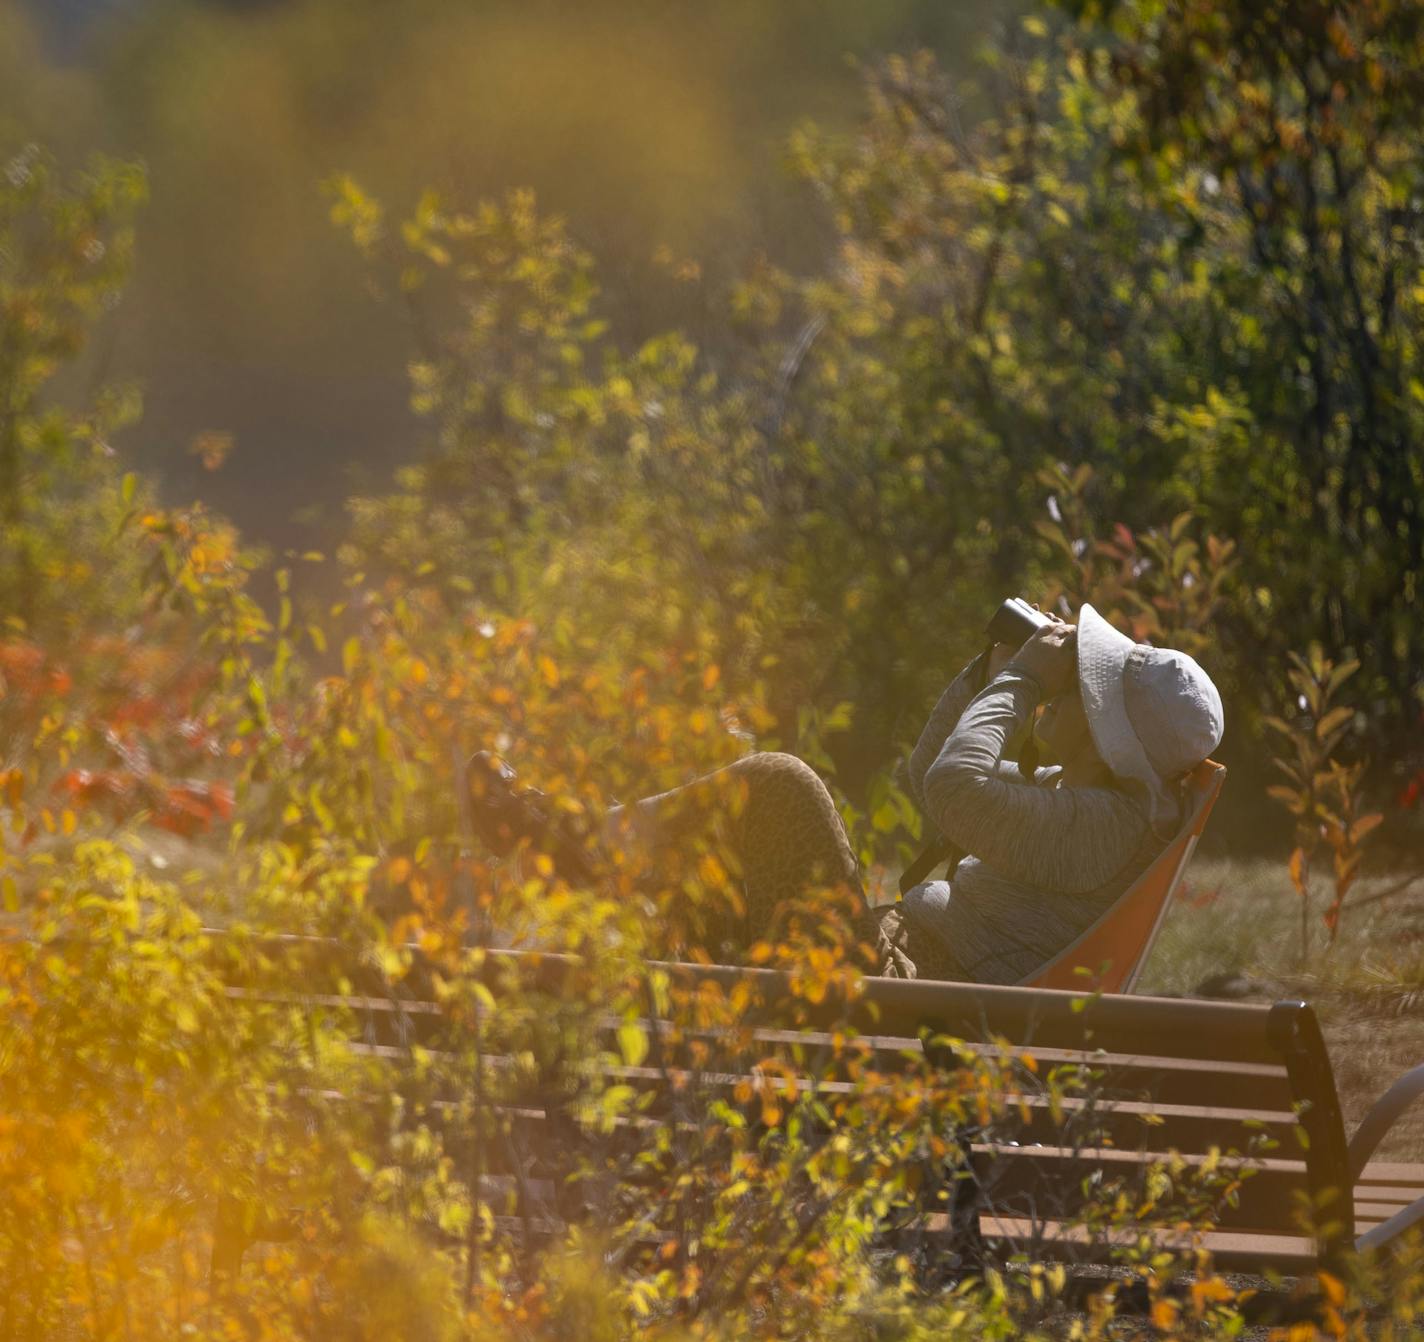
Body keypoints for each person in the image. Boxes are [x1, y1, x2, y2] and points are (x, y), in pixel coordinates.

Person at [473, 604, 1223, 983]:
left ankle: (558, 838)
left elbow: (953, 790)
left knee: (782, 786)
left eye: (1083, 689)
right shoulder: (1078, 800)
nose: (1066, 692)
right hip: (894, 968)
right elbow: (935, 786)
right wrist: (986, 676)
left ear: (1103, 730)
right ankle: (561, 857)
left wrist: (1024, 681)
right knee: (709, 880)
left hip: (900, 997)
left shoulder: (1098, 830)